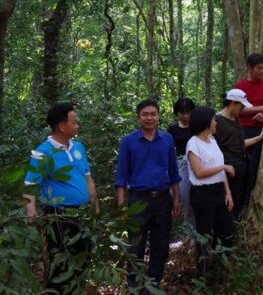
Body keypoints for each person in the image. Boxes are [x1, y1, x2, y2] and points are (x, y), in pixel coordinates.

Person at [24, 102, 98, 293]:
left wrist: (95, 206)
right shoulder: (42, 152)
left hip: (83, 214)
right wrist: (31, 215)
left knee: (84, 257)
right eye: (74, 123)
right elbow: (30, 185)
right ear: (62, 126)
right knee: (61, 261)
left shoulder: (79, 147)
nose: (78, 126)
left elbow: (88, 178)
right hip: (59, 216)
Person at [115, 99, 182, 291]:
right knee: (135, 246)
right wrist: (122, 205)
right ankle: (135, 287)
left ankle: (153, 286)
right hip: (138, 199)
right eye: (145, 114)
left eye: (153, 114)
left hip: (163, 199)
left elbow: (173, 171)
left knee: (160, 246)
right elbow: (121, 176)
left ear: (159, 116)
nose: (149, 118)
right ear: (138, 118)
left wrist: (176, 198)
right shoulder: (128, 141)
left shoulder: (167, 139)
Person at [186, 106, 235, 283]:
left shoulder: (212, 140)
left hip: (219, 192)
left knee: (227, 232)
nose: (216, 122)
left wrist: (227, 192)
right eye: (214, 120)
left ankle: (222, 275)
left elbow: (220, 171)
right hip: (203, 194)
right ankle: (203, 278)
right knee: (204, 237)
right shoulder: (193, 143)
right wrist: (223, 167)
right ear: (206, 123)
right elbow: (199, 172)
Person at [215, 89, 263, 220]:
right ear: (232, 103)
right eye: (241, 106)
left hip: (240, 165)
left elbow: (240, 143)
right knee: (228, 202)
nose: (243, 109)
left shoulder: (235, 119)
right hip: (228, 167)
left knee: (239, 200)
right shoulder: (217, 121)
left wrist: (259, 138)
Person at [235, 53, 263, 213]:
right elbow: (237, 110)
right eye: (259, 68)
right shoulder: (240, 86)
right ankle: (236, 205)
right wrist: (260, 109)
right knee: (241, 168)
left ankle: (246, 204)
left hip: (260, 131)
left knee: (254, 168)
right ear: (250, 69)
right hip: (243, 130)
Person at [167, 97, 196, 229]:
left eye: (188, 112)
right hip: (180, 164)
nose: (185, 116)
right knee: (178, 196)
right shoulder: (172, 130)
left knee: (191, 201)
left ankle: (193, 236)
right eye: (182, 113)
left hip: (197, 163)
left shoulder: (198, 126)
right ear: (177, 113)